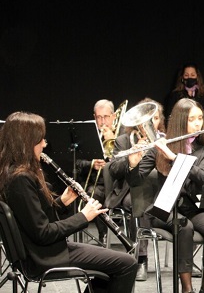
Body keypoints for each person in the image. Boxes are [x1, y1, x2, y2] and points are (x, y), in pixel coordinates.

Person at [0, 111, 138, 293]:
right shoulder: (20, 179)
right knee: (127, 264)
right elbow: (43, 232)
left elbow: (33, 218)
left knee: (113, 265)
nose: (44, 144)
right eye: (40, 139)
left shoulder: (11, 173)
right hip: (44, 257)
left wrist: (62, 202)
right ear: (26, 142)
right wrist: (83, 216)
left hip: (44, 251)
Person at [110, 98, 204, 293]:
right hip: (164, 209)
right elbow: (136, 180)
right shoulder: (162, 147)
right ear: (181, 121)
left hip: (193, 208)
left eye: (200, 119)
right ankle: (186, 289)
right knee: (184, 227)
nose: (198, 124)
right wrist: (132, 162)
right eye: (192, 119)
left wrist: (175, 159)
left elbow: (203, 177)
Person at [105, 97, 167, 281]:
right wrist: (132, 157)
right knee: (140, 200)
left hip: (159, 192)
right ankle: (141, 258)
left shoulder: (165, 140)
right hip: (129, 191)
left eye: (155, 118)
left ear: (160, 121)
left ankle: (186, 259)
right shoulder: (124, 140)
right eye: (146, 120)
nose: (150, 123)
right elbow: (114, 170)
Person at [75, 99, 119, 243]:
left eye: (106, 117)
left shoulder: (122, 136)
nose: (102, 121)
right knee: (94, 194)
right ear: (94, 117)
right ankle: (103, 235)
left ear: (113, 117)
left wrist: (112, 142)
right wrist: (92, 164)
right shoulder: (88, 138)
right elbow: (77, 162)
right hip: (97, 183)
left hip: (117, 184)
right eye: (99, 117)